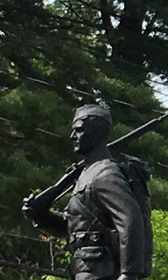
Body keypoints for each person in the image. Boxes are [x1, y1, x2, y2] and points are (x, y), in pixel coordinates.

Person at [23, 105, 147, 280]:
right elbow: (75, 226)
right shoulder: (86, 175)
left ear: (96, 133)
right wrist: (41, 216)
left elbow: (130, 219)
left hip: (100, 272)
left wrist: (129, 273)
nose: (73, 136)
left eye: (79, 130)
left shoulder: (104, 173)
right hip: (84, 270)